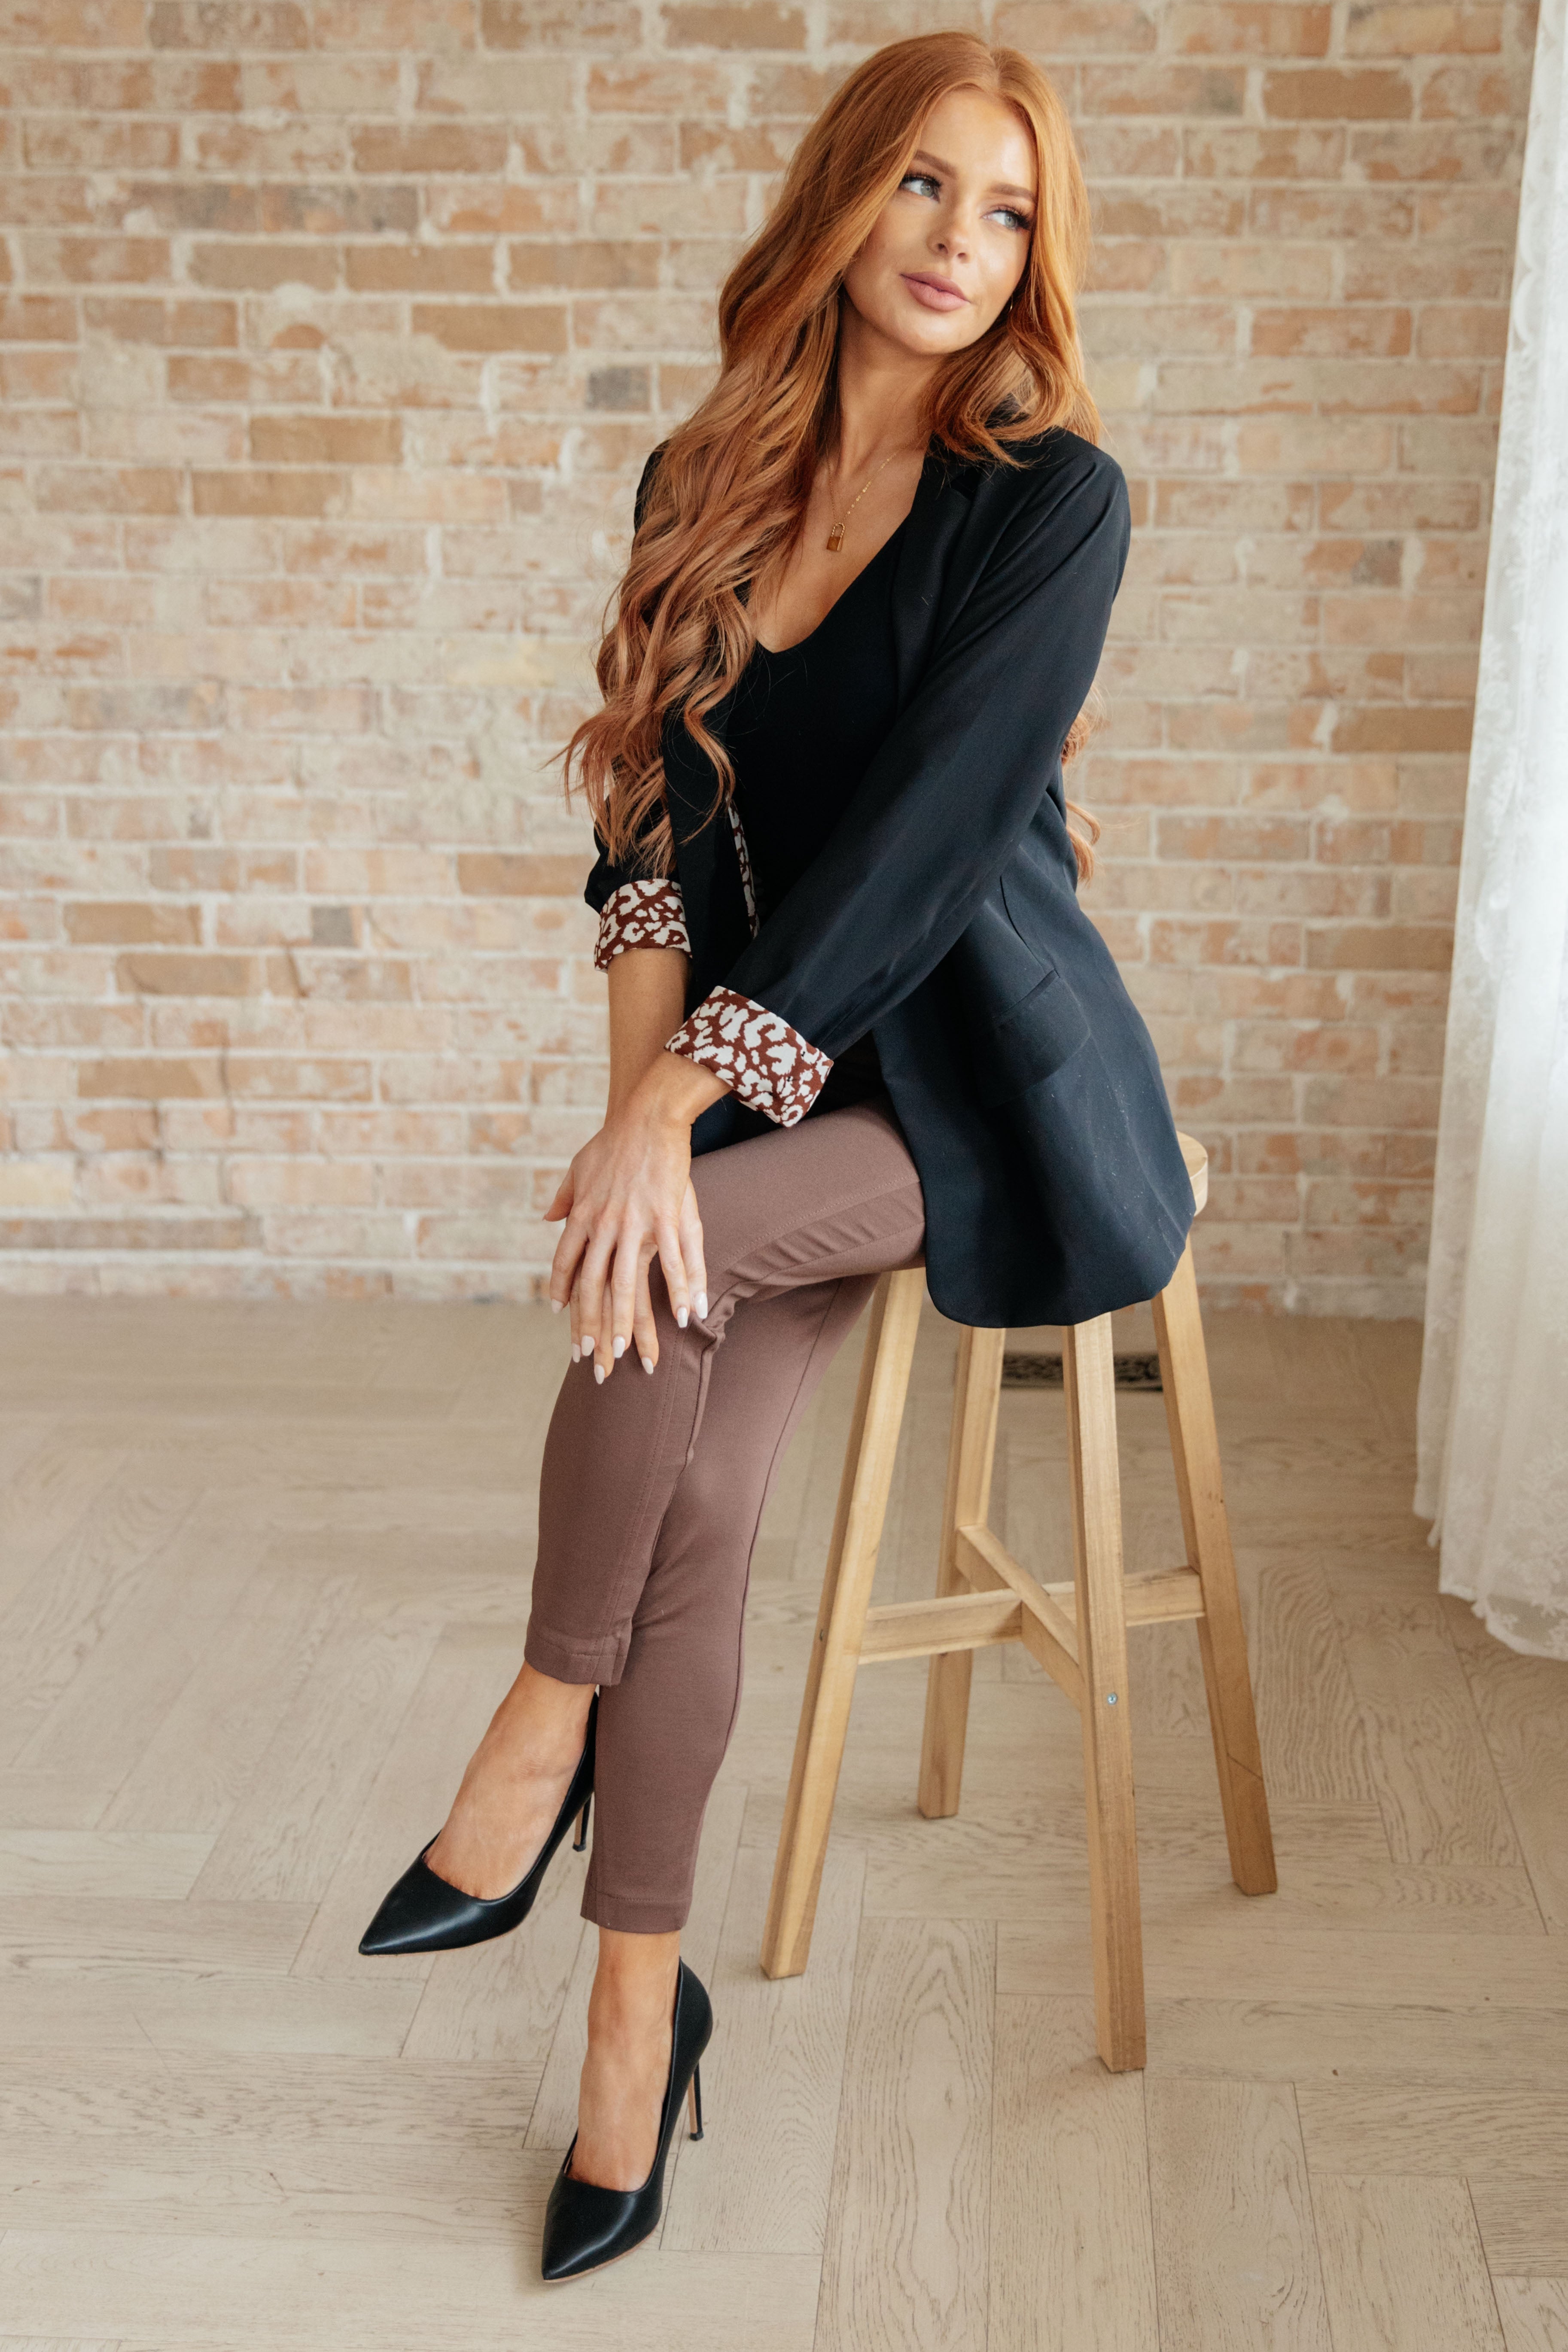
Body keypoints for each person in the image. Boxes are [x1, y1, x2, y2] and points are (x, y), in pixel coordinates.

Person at [359, 29, 1193, 2280]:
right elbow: (650, 832)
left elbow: (929, 848)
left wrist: (675, 1118)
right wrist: (634, 1117)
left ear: (1035, 254)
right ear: (842, 195)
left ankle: (538, 1723)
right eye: (922, 185)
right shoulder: (700, 473)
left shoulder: (1050, 501)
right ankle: (638, 2014)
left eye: (1005, 210)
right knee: (699, 1473)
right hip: (758, 1091)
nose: (957, 243)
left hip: (973, 1096)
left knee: (667, 1275)